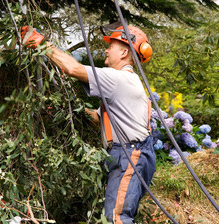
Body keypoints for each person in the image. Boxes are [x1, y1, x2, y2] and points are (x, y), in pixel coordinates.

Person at [21, 23, 156, 223]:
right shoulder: (128, 81)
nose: (106, 49)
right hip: (132, 154)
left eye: (112, 46)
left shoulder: (118, 79)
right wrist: (68, 110)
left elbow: (73, 68)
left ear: (124, 52)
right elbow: (99, 119)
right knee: (119, 216)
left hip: (129, 155)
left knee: (117, 218)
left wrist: (42, 44)